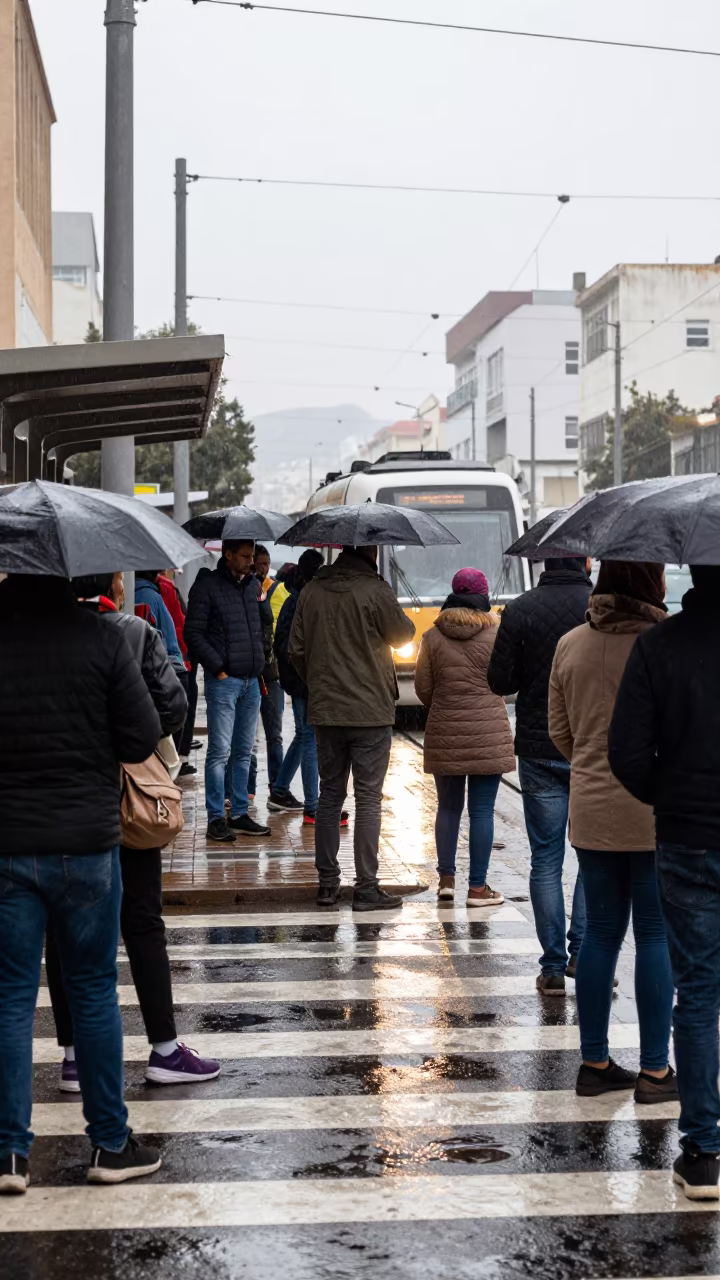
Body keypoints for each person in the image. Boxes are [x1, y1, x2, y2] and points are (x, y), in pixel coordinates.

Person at [0, 573, 163, 1192]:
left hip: (8, 842)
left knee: (10, 998)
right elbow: (140, 736)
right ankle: (110, 1146)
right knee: (92, 991)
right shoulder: (100, 637)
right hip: (87, 848)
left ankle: (9, 1155)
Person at [44, 572, 220, 1092]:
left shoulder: (35, 637)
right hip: (125, 800)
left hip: (56, 805)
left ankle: (75, 1058)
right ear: (115, 586)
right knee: (141, 921)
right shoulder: (132, 632)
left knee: (63, 929)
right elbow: (172, 707)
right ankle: (164, 1048)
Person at [608, 563, 720, 1200]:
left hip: (687, 839)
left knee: (699, 992)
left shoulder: (659, 646)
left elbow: (626, 751)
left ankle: (703, 1152)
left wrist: (670, 797)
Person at [548, 560, 676, 1103]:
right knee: (654, 935)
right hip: (654, 810)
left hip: (593, 808)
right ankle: (654, 1072)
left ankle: (594, 1063)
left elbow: (560, 732)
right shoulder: (666, 644)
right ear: (650, 582)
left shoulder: (571, 643)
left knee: (599, 935)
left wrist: (593, 766)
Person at [289, 543, 416, 909]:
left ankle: (327, 885)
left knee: (329, 795)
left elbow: (296, 649)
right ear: (372, 551)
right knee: (367, 798)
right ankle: (366, 887)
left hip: (327, 711)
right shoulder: (376, 590)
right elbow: (403, 636)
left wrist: (319, 684)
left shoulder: (312, 590)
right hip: (370, 713)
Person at [487, 556, 592, 995]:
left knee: (545, 860)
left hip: (538, 744)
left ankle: (551, 967)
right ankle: (586, 958)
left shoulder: (521, 608)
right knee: (593, 857)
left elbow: (500, 681)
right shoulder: (597, 605)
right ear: (585, 562)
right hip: (590, 748)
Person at [415, 568, 515, 907]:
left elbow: (422, 689)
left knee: (448, 807)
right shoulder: (497, 633)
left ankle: (446, 880)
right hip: (488, 733)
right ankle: (477, 889)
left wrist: (444, 704)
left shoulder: (432, 636)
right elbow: (506, 681)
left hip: (446, 732)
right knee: (482, 810)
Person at [185, 539, 271, 842]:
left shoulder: (250, 586)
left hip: (250, 681)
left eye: (252, 555)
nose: (251, 561)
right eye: (245, 556)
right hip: (225, 681)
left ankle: (238, 813)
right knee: (220, 752)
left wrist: (260, 659)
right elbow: (192, 633)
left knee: (244, 752)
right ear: (229, 554)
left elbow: (258, 627)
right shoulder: (207, 586)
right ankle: (215, 817)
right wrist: (217, 666)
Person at [271, 552, 347, 829]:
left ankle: (280, 789)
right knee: (310, 739)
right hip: (303, 682)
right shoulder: (298, 602)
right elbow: (287, 647)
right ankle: (313, 806)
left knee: (304, 736)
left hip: (306, 680)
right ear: (307, 576)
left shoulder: (305, 600)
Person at [247, 545, 285, 799]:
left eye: (266, 563)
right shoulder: (244, 589)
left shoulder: (276, 590)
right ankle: (247, 789)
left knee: (275, 734)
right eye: (259, 563)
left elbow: (277, 625)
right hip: (249, 671)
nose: (263, 568)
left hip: (271, 671)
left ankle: (277, 786)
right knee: (247, 737)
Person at [156, 568, 201, 778]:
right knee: (179, 708)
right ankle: (175, 760)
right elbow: (176, 625)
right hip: (175, 661)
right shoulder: (162, 590)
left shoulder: (161, 588)